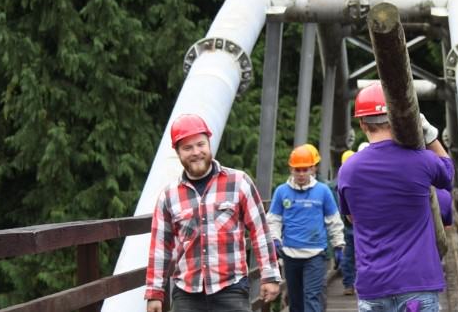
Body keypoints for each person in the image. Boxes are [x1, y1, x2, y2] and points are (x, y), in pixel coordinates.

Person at [145, 114, 281, 312]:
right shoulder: (168, 196)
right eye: (187, 148)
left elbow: (260, 231)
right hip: (186, 294)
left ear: (209, 143)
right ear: (178, 152)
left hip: (231, 288)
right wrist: (155, 292)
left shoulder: (239, 182)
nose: (196, 152)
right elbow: (160, 247)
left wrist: (269, 276)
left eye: (200, 144)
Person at [337, 83, 454, 312]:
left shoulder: (348, 170)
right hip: (417, 282)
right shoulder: (420, 160)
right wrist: (429, 136)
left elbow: (351, 217)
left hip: (373, 285)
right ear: (397, 118)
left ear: (362, 124)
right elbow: (447, 175)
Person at [267, 145, 345, 312]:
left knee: (312, 297)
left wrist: (339, 245)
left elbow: (333, 220)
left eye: (305, 169)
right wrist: (275, 239)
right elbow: (274, 220)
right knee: (295, 301)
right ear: (291, 169)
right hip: (289, 254)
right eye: (297, 170)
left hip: (315, 254)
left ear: (313, 168)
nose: (301, 174)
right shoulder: (281, 192)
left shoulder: (323, 191)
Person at [339, 149, 357, 296]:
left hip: (348, 226)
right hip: (357, 226)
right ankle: (355, 283)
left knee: (349, 257)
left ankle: (349, 284)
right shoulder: (361, 179)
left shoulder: (338, 182)